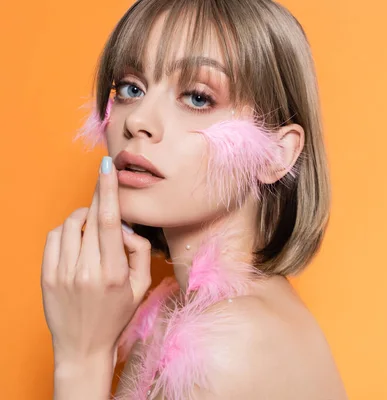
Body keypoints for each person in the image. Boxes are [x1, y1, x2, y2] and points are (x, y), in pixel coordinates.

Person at [40, 0, 347, 398]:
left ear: (277, 154)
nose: (137, 121)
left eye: (198, 98)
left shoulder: (227, 345)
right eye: (132, 88)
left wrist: (81, 360)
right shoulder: (173, 309)